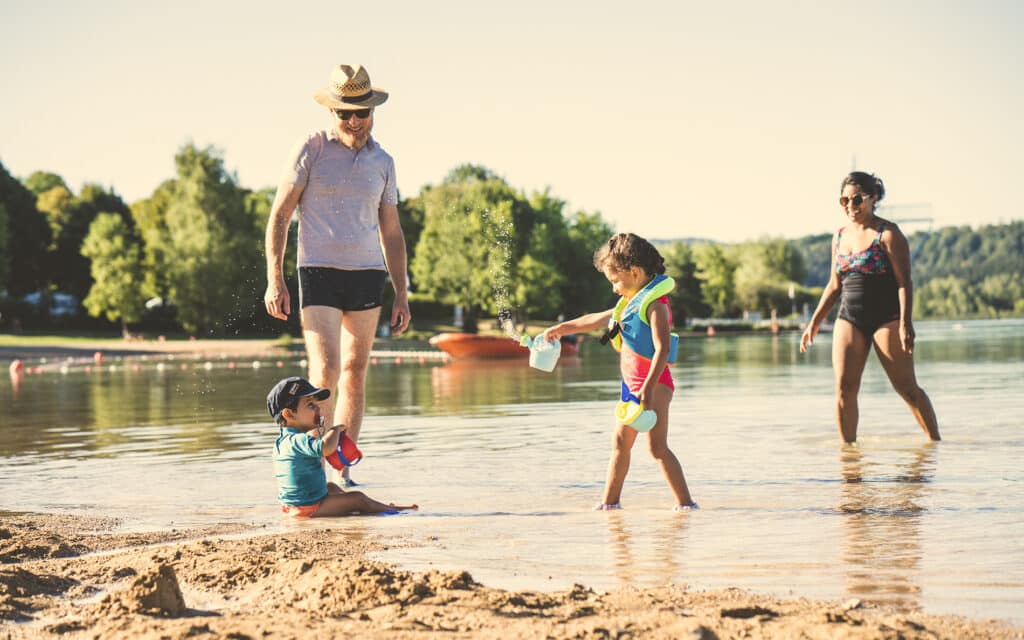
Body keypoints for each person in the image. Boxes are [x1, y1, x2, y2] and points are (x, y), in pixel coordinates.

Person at [264, 64, 411, 486]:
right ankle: (312, 463)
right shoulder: (311, 148)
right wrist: (276, 278)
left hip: (367, 273)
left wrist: (401, 292)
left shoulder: (383, 161)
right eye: (345, 112)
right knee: (325, 371)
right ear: (332, 112)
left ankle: (341, 471)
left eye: (361, 113)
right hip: (318, 271)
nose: (353, 121)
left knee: (355, 369)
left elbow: (392, 232)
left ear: (372, 112)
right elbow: (280, 214)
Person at [544, 233, 698, 511]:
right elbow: (592, 320)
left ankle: (686, 505)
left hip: (656, 385)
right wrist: (561, 328)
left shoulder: (655, 306)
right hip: (631, 386)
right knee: (619, 443)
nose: (614, 288)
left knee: (656, 448)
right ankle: (609, 504)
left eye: (615, 280)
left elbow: (662, 350)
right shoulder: (625, 306)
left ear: (635, 272)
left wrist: (648, 388)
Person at [800, 172, 940, 444]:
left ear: (873, 198)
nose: (850, 207)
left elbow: (904, 283)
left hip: (887, 318)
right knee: (844, 389)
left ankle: (935, 444)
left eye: (857, 200)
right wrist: (814, 323)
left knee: (907, 389)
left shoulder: (889, 235)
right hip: (849, 317)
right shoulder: (839, 237)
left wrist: (905, 323)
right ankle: (849, 458)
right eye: (844, 201)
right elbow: (834, 284)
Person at [268, 376, 417, 517]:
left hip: (292, 507)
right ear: (288, 414)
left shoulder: (282, 442)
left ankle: (370, 507)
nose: (318, 409)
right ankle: (391, 510)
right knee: (358, 498)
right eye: (310, 405)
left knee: (331, 487)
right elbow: (326, 448)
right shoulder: (297, 440)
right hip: (308, 508)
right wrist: (335, 430)